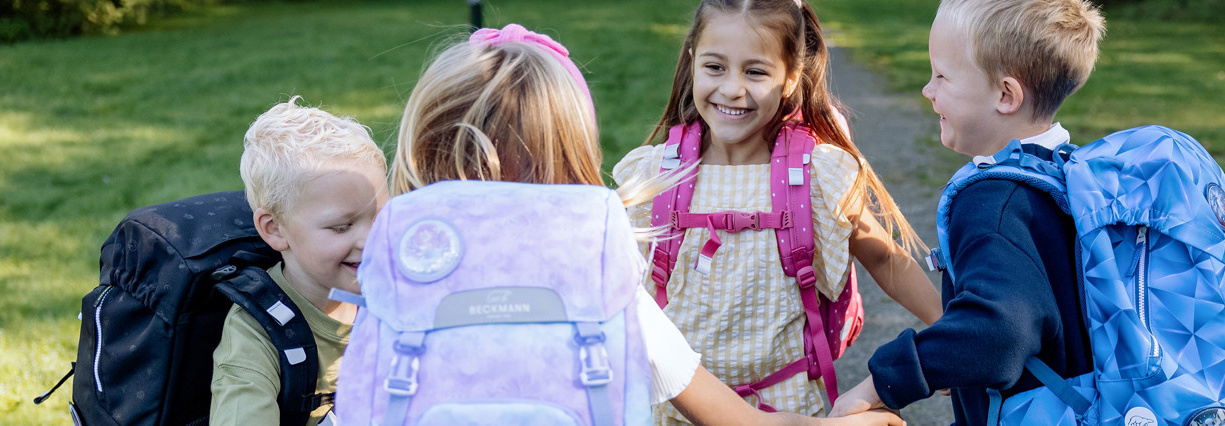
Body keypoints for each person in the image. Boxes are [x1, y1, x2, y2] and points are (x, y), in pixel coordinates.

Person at [384, 23, 903, 426]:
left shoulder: (391, 280)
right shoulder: (602, 282)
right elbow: (734, 419)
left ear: (423, 153)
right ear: (571, 163)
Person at [611, 1, 945, 422]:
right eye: (715, 67)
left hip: (786, 408)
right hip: (674, 408)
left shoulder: (817, 178)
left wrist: (947, 331)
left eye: (755, 72)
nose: (732, 88)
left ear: (790, 77)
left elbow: (885, 259)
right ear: (694, 60)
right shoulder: (655, 179)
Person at [827, 0, 1107, 424]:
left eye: (942, 75)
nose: (928, 89)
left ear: (1006, 95)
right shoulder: (1069, 173)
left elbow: (999, 331)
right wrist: (949, 353)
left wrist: (881, 383)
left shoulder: (993, 202)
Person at [211, 97, 389, 425]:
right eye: (341, 227)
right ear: (275, 229)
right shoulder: (254, 333)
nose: (371, 241)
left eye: (381, 218)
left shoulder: (397, 295)